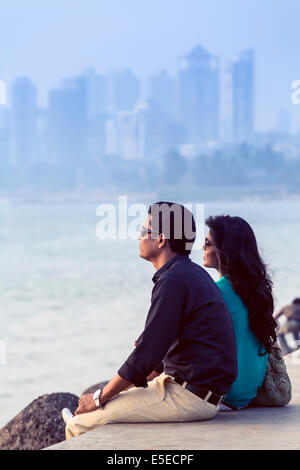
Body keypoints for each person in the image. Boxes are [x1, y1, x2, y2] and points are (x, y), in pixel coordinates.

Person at [63, 202, 237, 439]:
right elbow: (158, 352)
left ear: (162, 239)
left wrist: (98, 397)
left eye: (145, 231)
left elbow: (146, 354)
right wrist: (127, 385)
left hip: (189, 397)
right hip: (198, 392)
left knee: (79, 424)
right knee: (113, 402)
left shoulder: (173, 281)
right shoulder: (191, 274)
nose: (139, 237)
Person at [202, 215, 278, 410]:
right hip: (248, 391)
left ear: (224, 251)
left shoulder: (217, 292)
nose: (202, 248)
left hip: (225, 395)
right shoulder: (256, 290)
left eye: (208, 243)